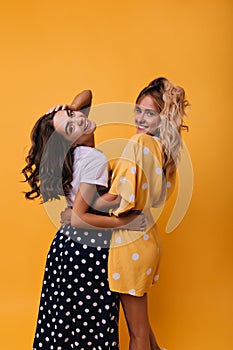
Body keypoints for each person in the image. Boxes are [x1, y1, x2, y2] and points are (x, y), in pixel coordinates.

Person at [61, 77, 189, 350]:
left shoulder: (141, 143)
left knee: (138, 333)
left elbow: (121, 195)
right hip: (143, 241)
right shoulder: (162, 148)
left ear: (163, 118)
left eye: (150, 113)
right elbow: (87, 96)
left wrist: (81, 208)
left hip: (131, 243)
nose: (141, 119)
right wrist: (72, 107)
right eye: (138, 110)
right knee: (144, 328)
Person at [22, 89, 146, 350]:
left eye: (74, 115)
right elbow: (79, 218)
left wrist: (67, 110)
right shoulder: (93, 158)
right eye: (70, 126)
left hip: (66, 250)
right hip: (87, 252)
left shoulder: (78, 152)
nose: (79, 119)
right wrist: (126, 223)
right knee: (87, 329)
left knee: (63, 328)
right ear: (71, 141)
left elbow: (87, 94)